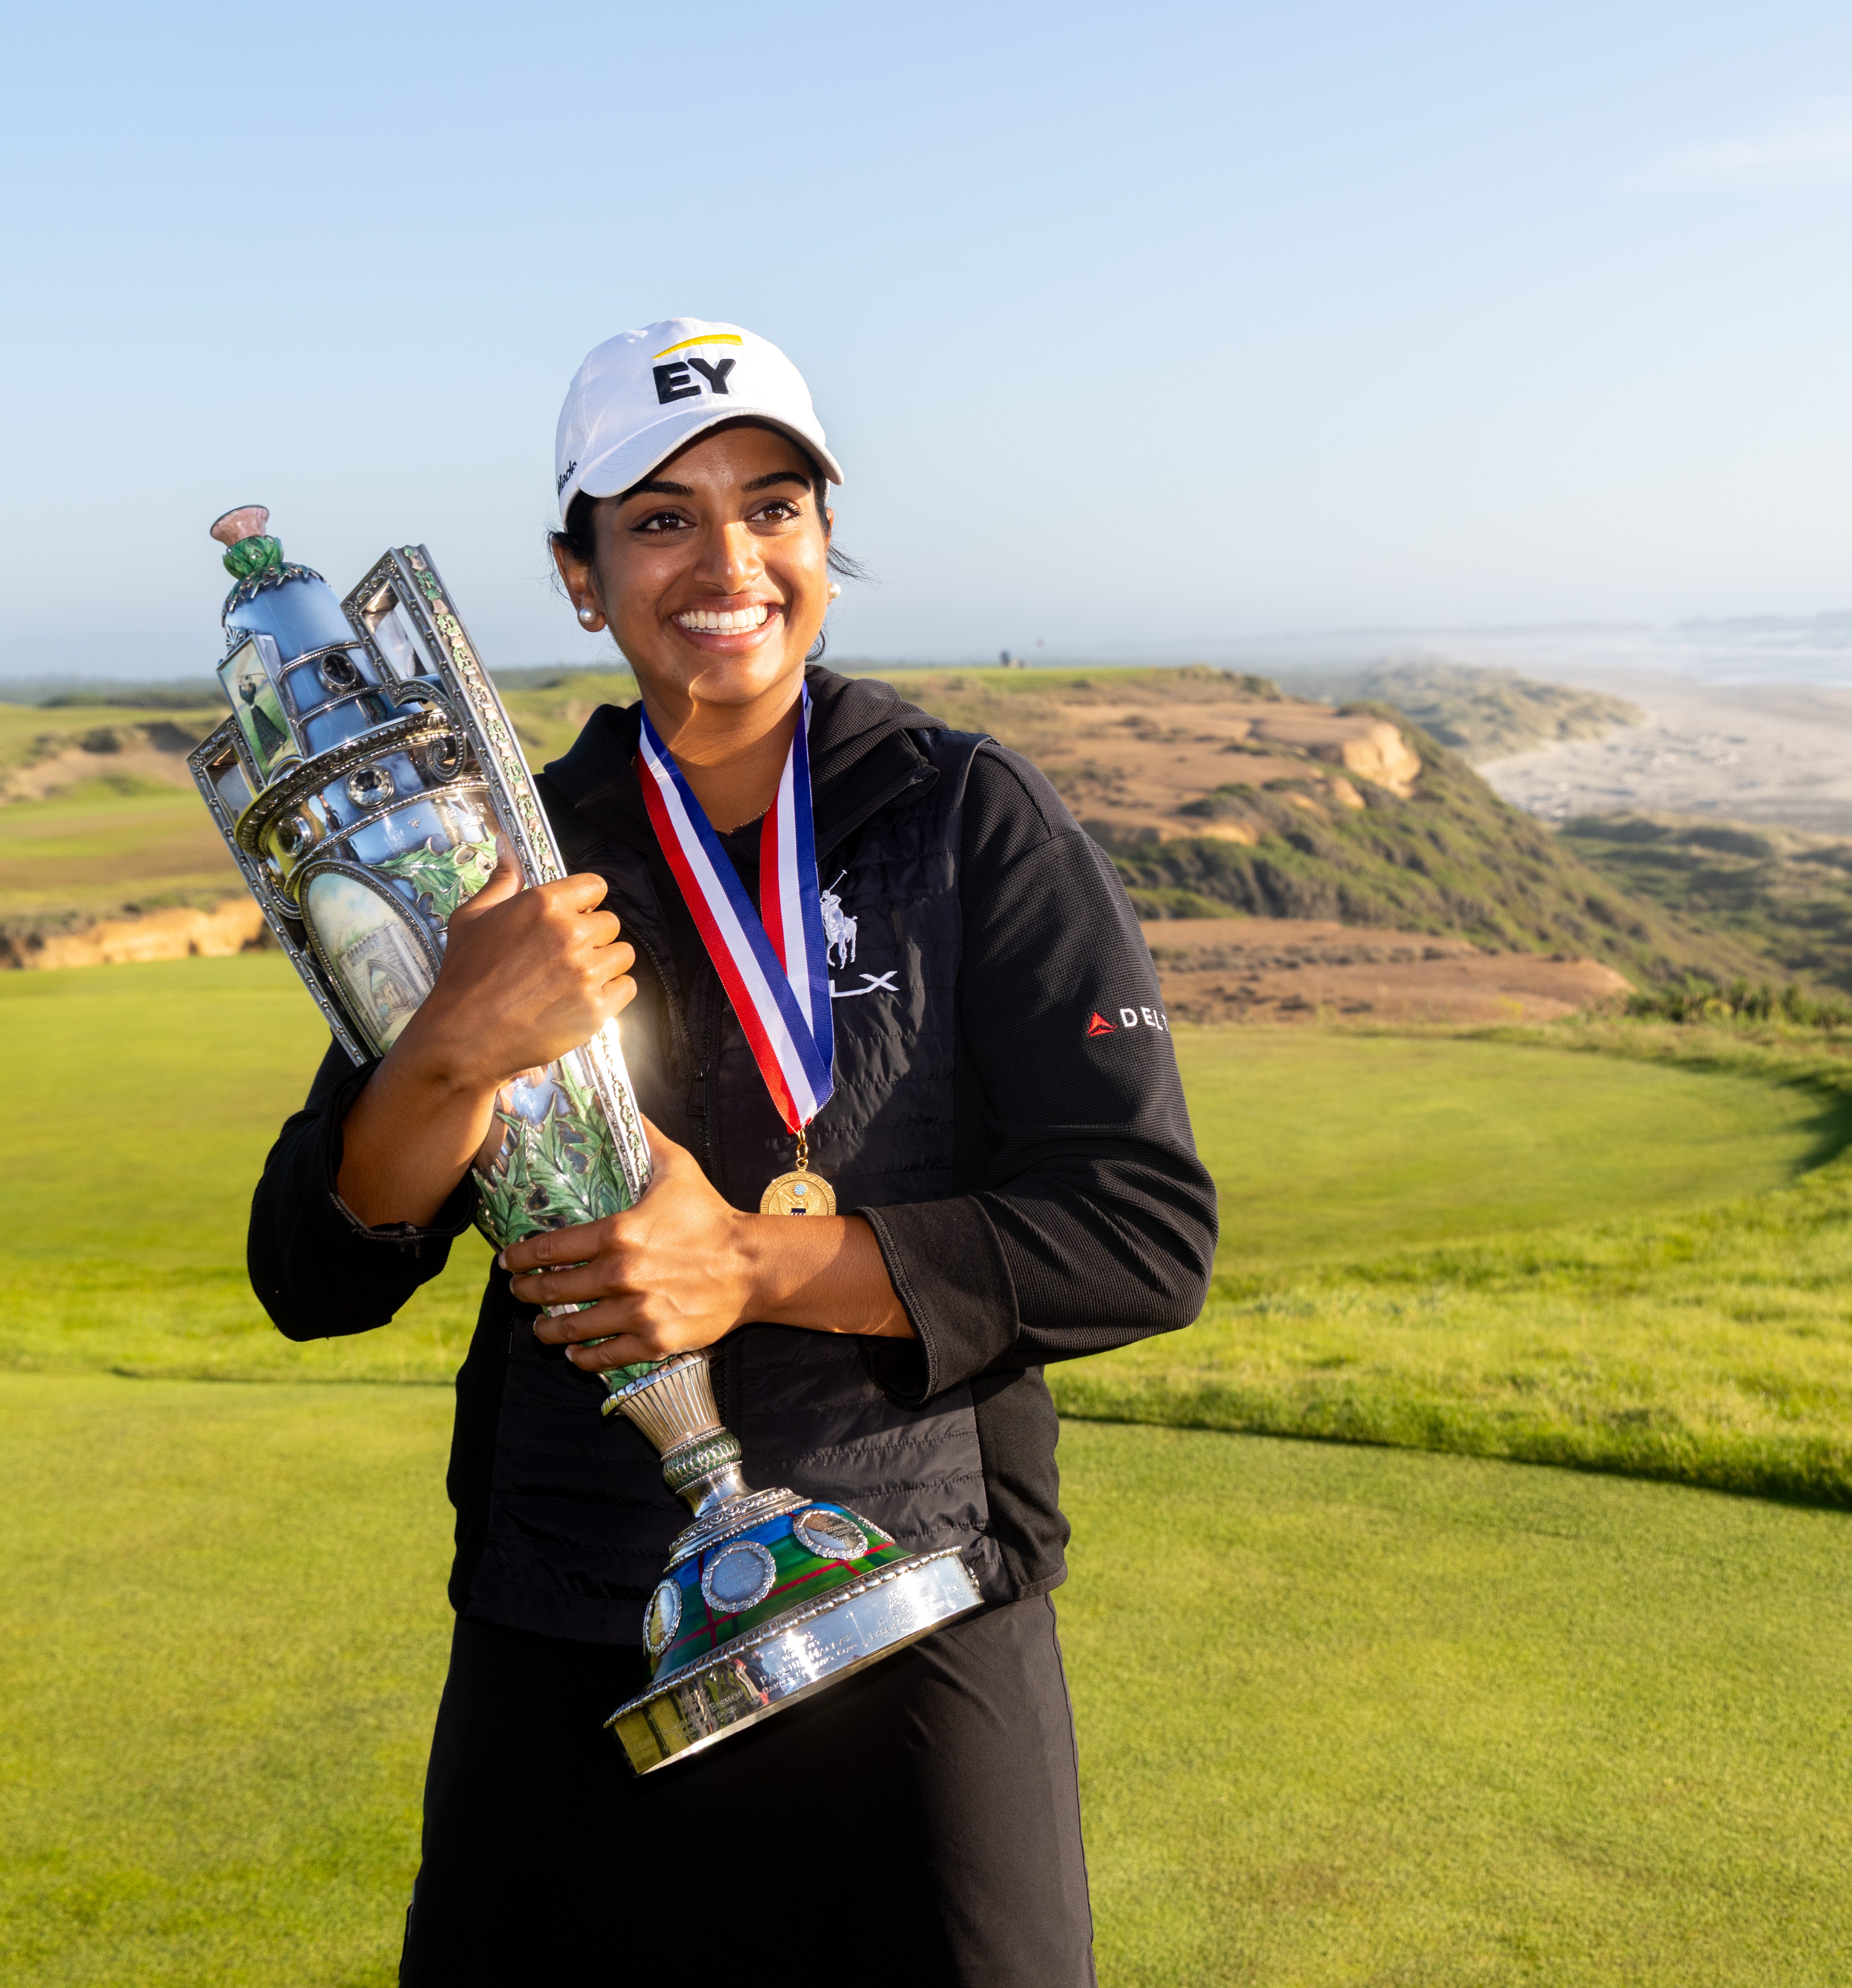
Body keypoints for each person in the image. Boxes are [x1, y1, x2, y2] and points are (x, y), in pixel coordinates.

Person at [247, 318, 1216, 1986]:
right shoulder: (497, 858)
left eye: (773, 506)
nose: (728, 561)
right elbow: (315, 1271)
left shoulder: (969, 813)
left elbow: (1137, 1229)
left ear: (824, 537)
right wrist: (450, 1045)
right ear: (577, 574)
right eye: (658, 518)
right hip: (577, 1612)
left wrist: (751, 1264)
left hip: (919, 1593)